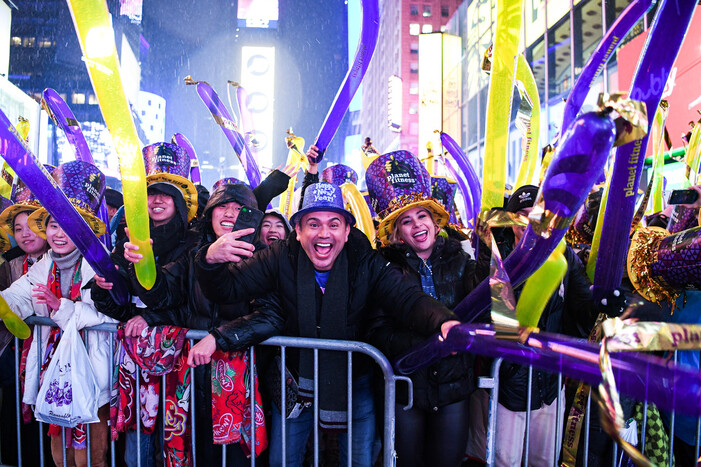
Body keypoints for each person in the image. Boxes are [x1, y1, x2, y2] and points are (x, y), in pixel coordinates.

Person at [190, 181, 459, 467]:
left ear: (346, 231)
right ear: (298, 231)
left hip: (355, 380)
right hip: (294, 378)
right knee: (284, 459)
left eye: (333, 224)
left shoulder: (365, 260)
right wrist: (208, 259)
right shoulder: (279, 255)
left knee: (358, 461)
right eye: (313, 224)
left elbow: (406, 298)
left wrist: (445, 322)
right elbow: (228, 289)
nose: (323, 233)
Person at [364, 150, 486, 467]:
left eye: (422, 216)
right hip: (405, 391)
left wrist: (489, 248)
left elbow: (487, 303)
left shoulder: (461, 260)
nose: (417, 225)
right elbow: (376, 333)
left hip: (453, 390)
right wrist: (430, 346)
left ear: (435, 221)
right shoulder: (384, 267)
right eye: (407, 220)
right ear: (397, 232)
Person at [492, 184, 621, 467]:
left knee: (545, 459)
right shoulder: (496, 258)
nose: (529, 221)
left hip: (550, 384)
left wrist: (604, 303)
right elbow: (495, 319)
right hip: (508, 388)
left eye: (536, 214)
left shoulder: (563, 255)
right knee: (505, 460)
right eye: (521, 214)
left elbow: (582, 306)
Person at [0, 161, 117, 467]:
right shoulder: (43, 266)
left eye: (71, 224)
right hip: (55, 380)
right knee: (59, 456)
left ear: (86, 228)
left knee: (90, 457)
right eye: (54, 224)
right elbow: (18, 295)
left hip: (92, 377)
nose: (60, 233)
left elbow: (109, 316)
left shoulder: (100, 265)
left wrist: (60, 306)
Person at [91, 142, 199, 467]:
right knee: (137, 444)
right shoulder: (127, 241)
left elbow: (189, 302)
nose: (157, 199)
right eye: (151, 192)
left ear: (179, 202)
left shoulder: (194, 244)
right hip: (135, 365)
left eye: (167, 193)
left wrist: (151, 317)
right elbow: (118, 307)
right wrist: (104, 288)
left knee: (176, 440)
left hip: (181, 363)